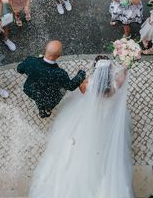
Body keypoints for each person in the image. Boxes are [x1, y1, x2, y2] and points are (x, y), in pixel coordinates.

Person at [28, 56, 131, 197]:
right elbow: (123, 75)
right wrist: (127, 63)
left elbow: (82, 90)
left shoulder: (88, 85)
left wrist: (83, 75)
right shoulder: (114, 86)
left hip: (88, 114)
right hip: (106, 115)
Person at [17, 40, 86, 118]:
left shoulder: (30, 61)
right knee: (48, 101)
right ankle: (47, 109)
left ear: (46, 48)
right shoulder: (60, 73)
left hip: (32, 90)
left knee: (38, 98)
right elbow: (70, 86)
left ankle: (41, 110)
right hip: (49, 97)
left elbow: (19, 69)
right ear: (59, 55)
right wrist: (81, 74)